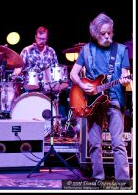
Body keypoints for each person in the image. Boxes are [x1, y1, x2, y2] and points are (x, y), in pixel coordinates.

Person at [70, 13, 132, 180]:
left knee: (118, 143)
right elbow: (73, 74)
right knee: (95, 144)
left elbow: (125, 75)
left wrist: (126, 80)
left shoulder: (120, 50)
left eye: (109, 32)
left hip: (114, 99)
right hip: (92, 101)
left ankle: (123, 181)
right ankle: (98, 178)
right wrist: (83, 85)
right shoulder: (86, 50)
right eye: (103, 33)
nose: (107, 36)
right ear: (95, 33)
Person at [12, 26, 59, 93]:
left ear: (47, 39)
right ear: (35, 37)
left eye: (44, 39)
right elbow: (19, 68)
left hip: (47, 87)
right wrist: (15, 74)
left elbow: (56, 70)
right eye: (39, 38)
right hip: (30, 87)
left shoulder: (51, 51)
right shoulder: (27, 50)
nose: (41, 41)